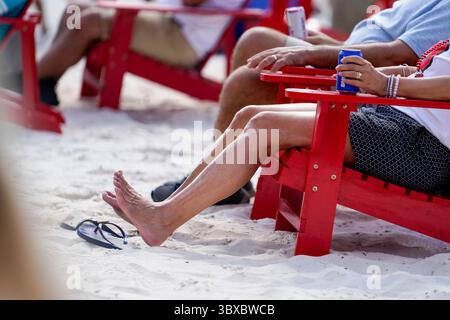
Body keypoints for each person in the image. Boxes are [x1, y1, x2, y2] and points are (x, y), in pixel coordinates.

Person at [104, 38, 450, 247]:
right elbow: (428, 73)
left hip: (421, 148)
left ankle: (162, 220)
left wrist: (387, 87)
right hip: (395, 119)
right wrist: (376, 76)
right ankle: (168, 208)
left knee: (265, 125)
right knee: (250, 113)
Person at [153, 0, 450, 204]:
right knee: (255, 45)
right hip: (351, 61)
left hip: (361, 81)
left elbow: (394, 57)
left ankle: (222, 179)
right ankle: (218, 175)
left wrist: (308, 55)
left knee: (250, 72)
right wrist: (330, 45)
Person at [37, 0, 245, 105]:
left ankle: (35, 77)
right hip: (163, 18)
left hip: (182, 36)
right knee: (75, 9)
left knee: (87, 22)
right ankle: (46, 80)